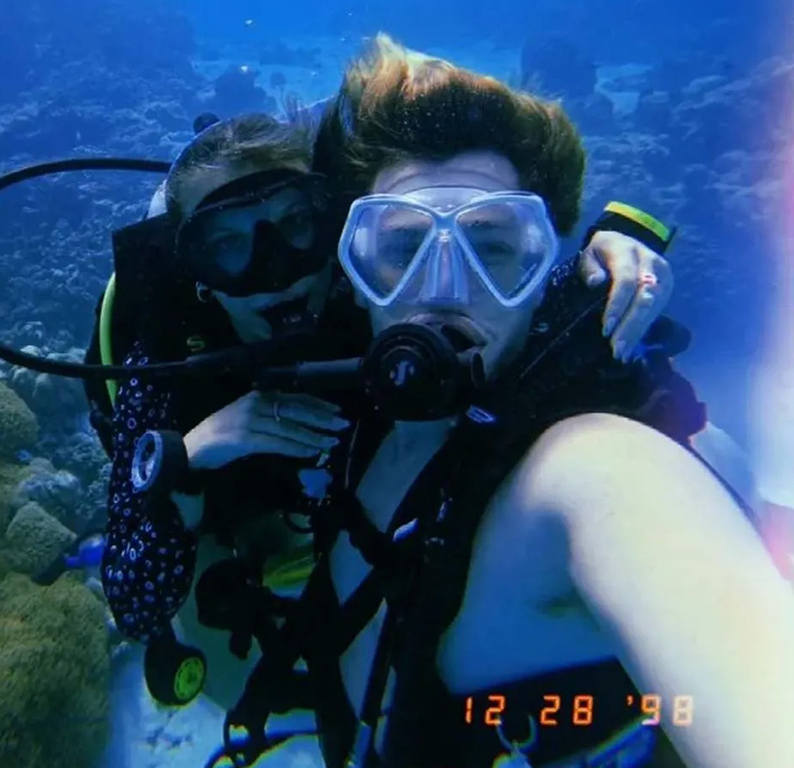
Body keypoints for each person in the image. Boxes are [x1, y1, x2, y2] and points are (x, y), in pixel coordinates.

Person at [210, 34, 794, 768]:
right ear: (350, 272)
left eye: (491, 248)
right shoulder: (350, 406)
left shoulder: (593, 472)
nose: (440, 287)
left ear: (545, 265)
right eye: (401, 246)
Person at [81, 105, 683, 708]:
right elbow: (136, 604)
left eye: (296, 225)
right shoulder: (165, 364)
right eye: (228, 243)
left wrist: (602, 265)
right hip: (232, 516)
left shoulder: (374, 286)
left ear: (335, 225)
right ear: (197, 273)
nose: (274, 270)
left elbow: (502, 311)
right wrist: (190, 457)